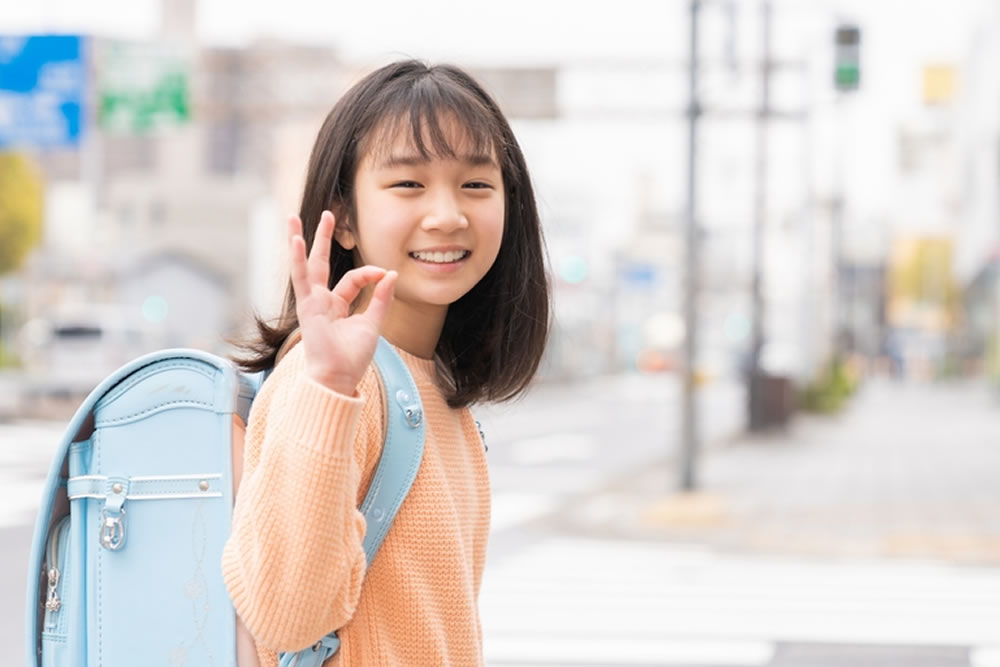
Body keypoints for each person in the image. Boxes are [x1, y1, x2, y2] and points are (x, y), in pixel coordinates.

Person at [222, 60, 550, 666]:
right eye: (408, 185)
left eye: (476, 184)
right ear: (342, 217)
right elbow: (286, 616)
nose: (448, 214)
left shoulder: (433, 387)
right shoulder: (332, 381)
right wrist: (328, 386)